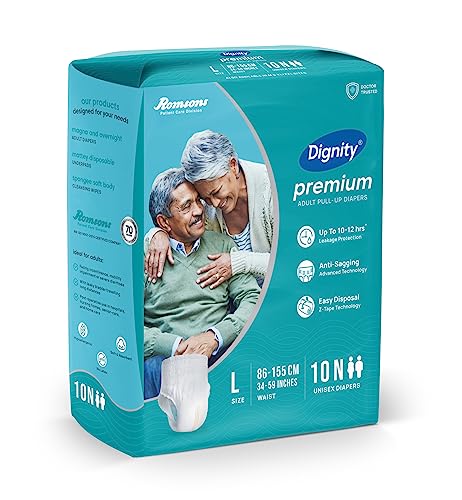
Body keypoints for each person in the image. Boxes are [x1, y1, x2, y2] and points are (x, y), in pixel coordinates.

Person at [144, 168, 260, 399]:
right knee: (153, 369)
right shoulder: (144, 257)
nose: (199, 211)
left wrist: (215, 336)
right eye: (186, 206)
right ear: (164, 222)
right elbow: (124, 325)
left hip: (218, 353)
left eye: (198, 201)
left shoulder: (223, 245)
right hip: (165, 360)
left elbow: (252, 299)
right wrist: (175, 345)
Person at [144, 130, 274, 288]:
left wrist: (237, 262)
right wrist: (158, 233)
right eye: (204, 198)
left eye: (216, 192)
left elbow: (291, 260)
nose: (214, 203)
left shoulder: (272, 189)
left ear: (233, 165)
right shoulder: (203, 205)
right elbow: (175, 218)